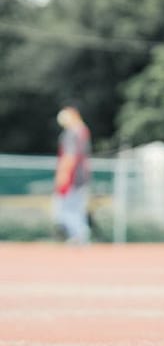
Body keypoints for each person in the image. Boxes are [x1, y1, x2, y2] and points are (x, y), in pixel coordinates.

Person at [53, 105, 92, 244]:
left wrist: (63, 177)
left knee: (63, 210)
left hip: (72, 179)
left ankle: (79, 235)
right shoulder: (83, 131)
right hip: (81, 178)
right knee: (76, 209)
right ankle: (80, 236)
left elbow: (69, 157)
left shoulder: (71, 133)